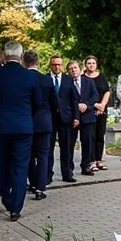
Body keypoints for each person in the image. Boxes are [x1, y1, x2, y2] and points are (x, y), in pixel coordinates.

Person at [0, 41, 42, 221]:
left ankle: (7, 199)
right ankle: (16, 207)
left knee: (2, 165)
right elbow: (38, 103)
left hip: (1, 128)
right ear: (21, 57)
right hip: (23, 128)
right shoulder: (30, 76)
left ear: (4, 56)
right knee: (21, 167)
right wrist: (26, 116)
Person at [24, 50, 58, 201]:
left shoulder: (22, 79)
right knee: (43, 155)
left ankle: (32, 183)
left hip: (26, 122)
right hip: (44, 122)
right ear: (38, 62)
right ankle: (40, 187)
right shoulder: (47, 80)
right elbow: (55, 102)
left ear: (24, 62)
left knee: (29, 155)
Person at [66, 60, 99, 176]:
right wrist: (76, 107)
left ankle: (86, 166)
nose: (73, 70)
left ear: (80, 69)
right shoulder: (66, 83)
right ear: (68, 72)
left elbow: (95, 95)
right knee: (70, 143)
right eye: (71, 69)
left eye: (75, 68)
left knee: (87, 143)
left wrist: (87, 105)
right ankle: (68, 167)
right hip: (72, 118)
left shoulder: (88, 81)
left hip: (87, 116)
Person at [84, 56, 111, 170]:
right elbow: (82, 95)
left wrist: (102, 106)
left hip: (102, 110)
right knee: (91, 136)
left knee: (100, 135)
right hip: (89, 110)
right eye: (89, 63)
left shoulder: (101, 77)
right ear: (85, 65)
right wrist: (95, 105)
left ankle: (99, 160)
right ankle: (91, 161)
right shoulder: (82, 78)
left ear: (96, 65)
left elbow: (107, 91)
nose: (91, 65)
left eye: (93, 63)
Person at [47, 55, 70, 183]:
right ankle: (47, 175)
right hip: (49, 118)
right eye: (54, 64)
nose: (57, 67)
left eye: (59, 64)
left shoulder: (68, 80)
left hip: (65, 118)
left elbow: (74, 99)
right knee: (48, 148)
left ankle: (67, 173)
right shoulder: (44, 79)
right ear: (50, 65)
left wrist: (76, 117)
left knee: (66, 147)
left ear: (62, 65)